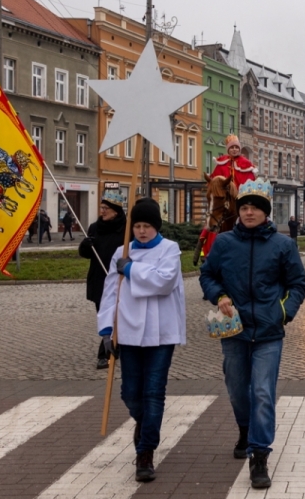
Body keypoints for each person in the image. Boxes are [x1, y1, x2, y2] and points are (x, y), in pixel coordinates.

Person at [200, 179, 305, 489]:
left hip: (269, 332)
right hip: (233, 331)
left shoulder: (283, 246)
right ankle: (245, 429)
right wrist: (218, 294)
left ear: (265, 213)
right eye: (244, 207)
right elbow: (208, 274)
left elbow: (298, 285)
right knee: (236, 389)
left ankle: (259, 454)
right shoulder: (223, 243)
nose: (248, 212)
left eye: (255, 208)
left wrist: (284, 312)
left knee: (262, 391)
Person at [97, 197, 186, 483]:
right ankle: (143, 421)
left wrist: (131, 269)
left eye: (147, 225)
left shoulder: (169, 249)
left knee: (153, 392)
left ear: (156, 226)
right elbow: (110, 293)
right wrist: (106, 331)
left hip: (161, 334)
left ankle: (145, 452)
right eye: (137, 225)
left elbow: (164, 281)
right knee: (131, 393)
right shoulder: (122, 252)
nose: (142, 231)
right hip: (129, 331)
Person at [79, 190, 127, 369]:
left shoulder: (126, 228)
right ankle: (111, 347)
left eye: (106, 208)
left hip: (120, 279)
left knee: (119, 315)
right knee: (105, 313)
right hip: (100, 279)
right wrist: (85, 246)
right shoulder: (94, 227)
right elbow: (85, 254)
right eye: (101, 207)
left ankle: (106, 352)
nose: (102, 211)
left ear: (115, 210)